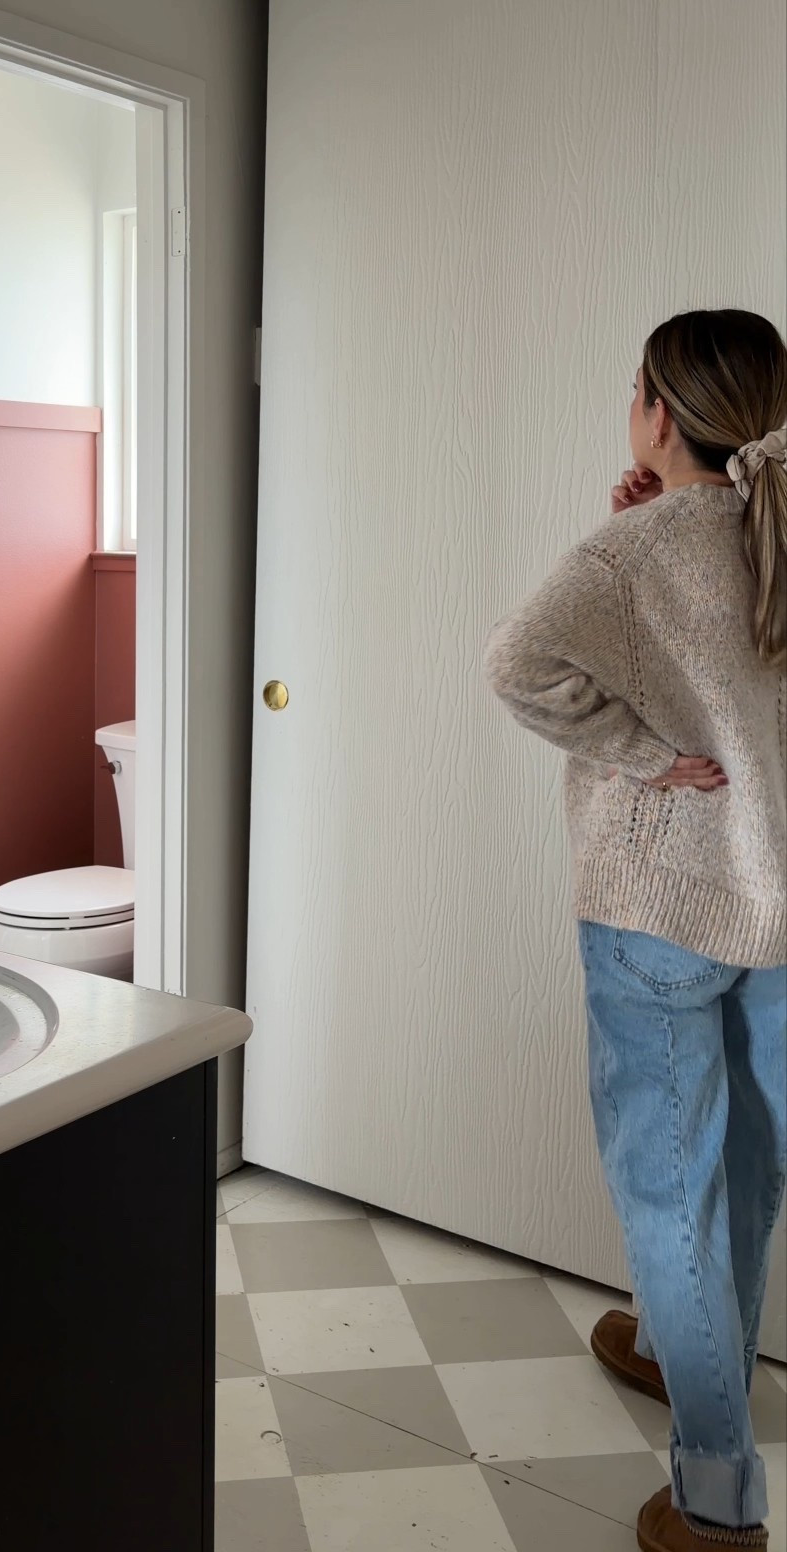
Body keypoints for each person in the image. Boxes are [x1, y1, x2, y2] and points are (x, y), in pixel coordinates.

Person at [485, 309, 786, 1552]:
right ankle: (676, 1349)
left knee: (669, 1192)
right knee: (750, 1174)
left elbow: (519, 666)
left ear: (660, 410)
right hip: (780, 910)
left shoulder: (639, 555)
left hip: (658, 911)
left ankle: (718, 1502)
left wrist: (646, 759)